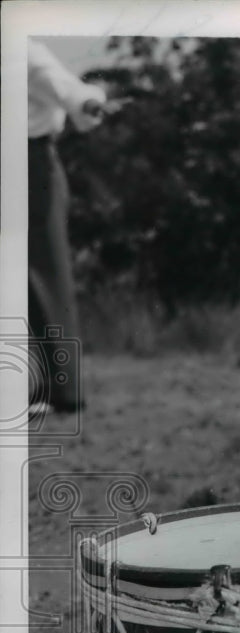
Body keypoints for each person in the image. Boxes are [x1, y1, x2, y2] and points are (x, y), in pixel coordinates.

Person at [28, 39, 107, 413]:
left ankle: (61, 391)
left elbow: (63, 85)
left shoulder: (19, 47)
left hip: (30, 163)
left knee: (42, 274)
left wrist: (87, 103)